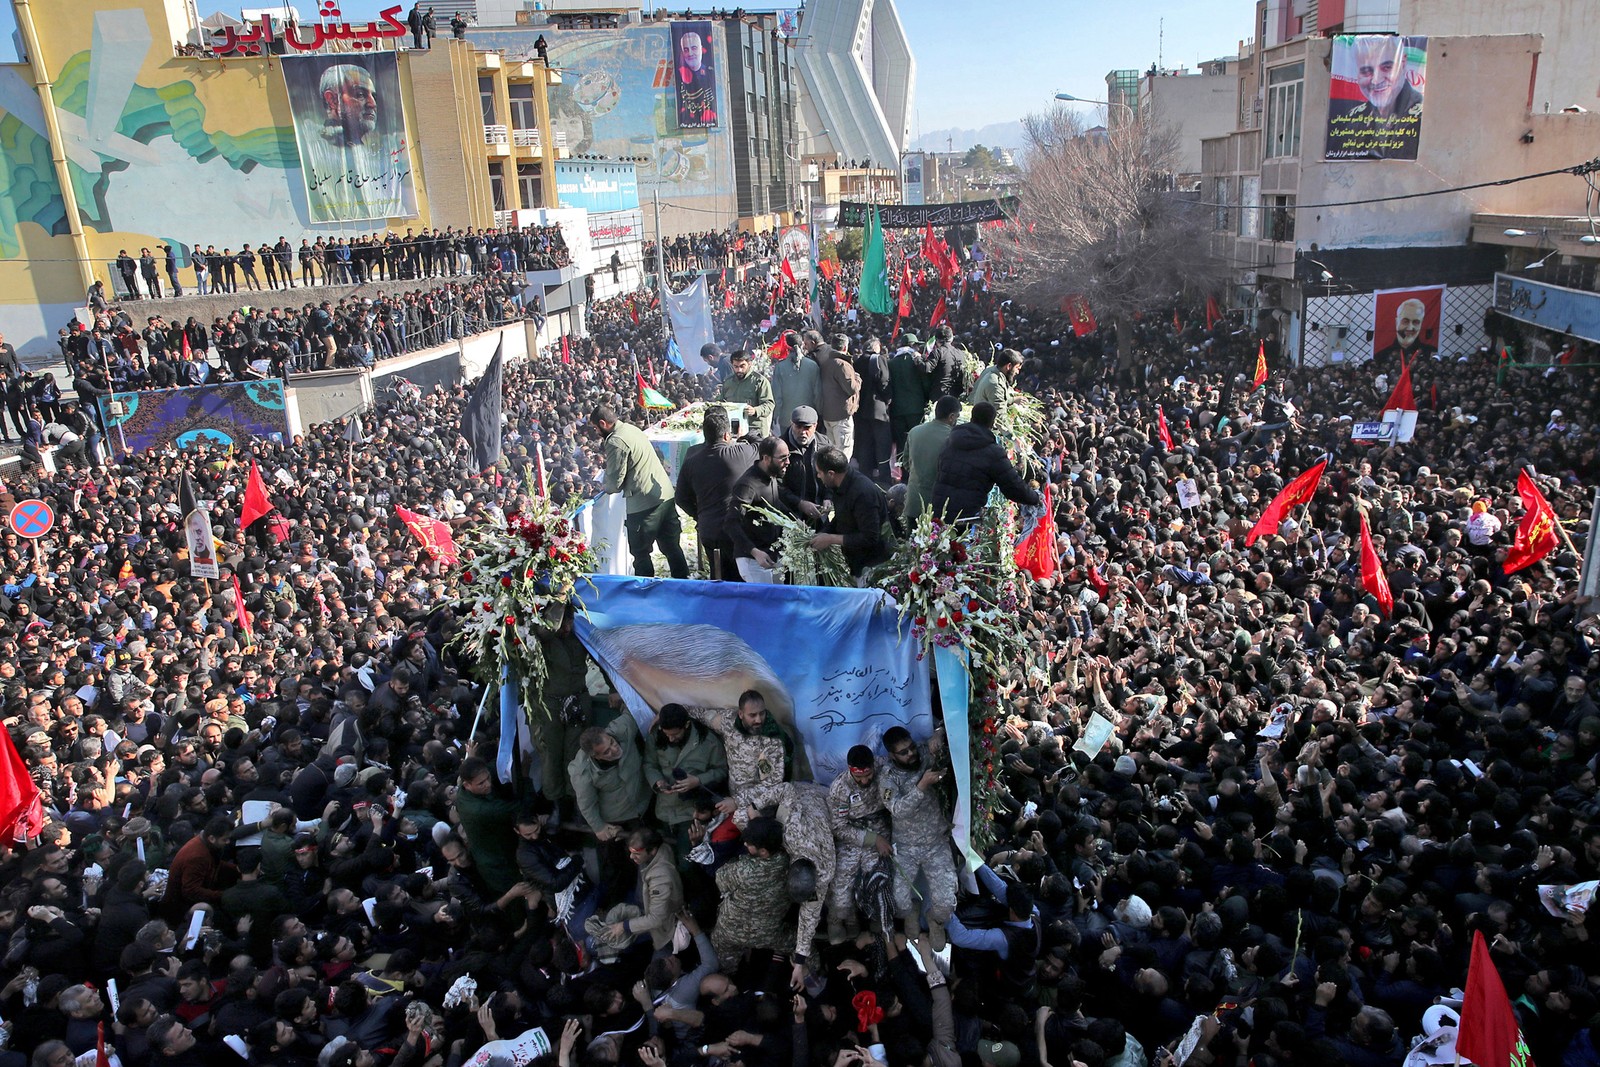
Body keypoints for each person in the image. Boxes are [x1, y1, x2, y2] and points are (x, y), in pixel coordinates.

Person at [301, 64, 411, 222]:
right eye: (360, 95)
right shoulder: (316, 145)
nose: (372, 104)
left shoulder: (374, 152)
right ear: (332, 99)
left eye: (373, 96)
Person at [878, 725, 956, 947]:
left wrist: (939, 733)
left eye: (911, 747)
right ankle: (911, 912)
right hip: (906, 846)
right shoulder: (888, 777)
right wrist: (922, 786)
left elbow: (949, 729)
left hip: (936, 842)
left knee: (946, 904)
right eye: (903, 752)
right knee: (900, 901)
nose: (911, 753)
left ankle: (935, 921)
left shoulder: (924, 752)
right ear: (892, 755)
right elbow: (898, 809)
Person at [591, 403, 689, 579]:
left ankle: (645, 592)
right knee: (672, 547)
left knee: (640, 552)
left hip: (644, 503)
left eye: (595, 428)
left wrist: (603, 485)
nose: (596, 433)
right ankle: (685, 585)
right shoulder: (630, 428)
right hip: (664, 494)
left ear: (603, 423)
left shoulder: (616, 441)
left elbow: (614, 483)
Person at [676, 408, 756, 582]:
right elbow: (762, 443)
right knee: (741, 576)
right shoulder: (741, 453)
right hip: (736, 528)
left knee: (717, 575)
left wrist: (699, 514)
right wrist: (745, 437)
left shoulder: (691, 461)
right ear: (727, 435)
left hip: (709, 529)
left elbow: (681, 498)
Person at [929, 401, 1041, 523]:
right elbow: (1012, 486)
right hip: (966, 515)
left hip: (938, 509)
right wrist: (1035, 498)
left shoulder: (951, 440)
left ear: (971, 418)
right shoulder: (993, 452)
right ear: (992, 424)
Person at [826, 744, 891, 942]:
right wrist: (872, 840)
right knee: (841, 891)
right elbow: (839, 827)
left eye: (868, 775)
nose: (865, 780)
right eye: (859, 777)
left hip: (879, 829)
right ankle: (837, 920)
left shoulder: (884, 767)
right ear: (850, 770)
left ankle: (875, 921)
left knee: (878, 881)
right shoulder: (840, 789)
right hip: (851, 837)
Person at [728, 435, 815, 580]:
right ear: (766, 458)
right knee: (764, 602)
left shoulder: (771, 475)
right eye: (782, 458)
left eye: (788, 457)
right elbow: (731, 523)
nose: (788, 462)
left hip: (772, 554)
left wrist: (794, 520)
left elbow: (774, 504)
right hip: (754, 560)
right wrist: (755, 552)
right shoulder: (747, 485)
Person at [811, 445, 891, 577]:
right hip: (856, 561)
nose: (818, 476)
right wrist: (821, 534)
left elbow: (870, 537)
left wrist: (830, 539)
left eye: (819, 472)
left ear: (831, 474)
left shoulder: (863, 494)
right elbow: (842, 517)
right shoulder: (839, 485)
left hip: (872, 566)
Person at [904, 395, 959, 525]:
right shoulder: (953, 437)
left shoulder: (914, 432)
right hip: (938, 505)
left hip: (914, 502)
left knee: (911, 542)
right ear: (951, 417)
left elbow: (906, 463)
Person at [811, 331, 860, 460]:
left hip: (829, 413)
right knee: (843, 451)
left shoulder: (826, 363)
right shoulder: (842, 364)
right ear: (845, 347)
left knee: (832, 451)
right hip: (841, 414)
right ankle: (842, 478)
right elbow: (851, 389)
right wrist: (858, 379)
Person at [852, 336, 893, 484]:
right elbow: (884, 382)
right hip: (878, 410)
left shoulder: (856, 362)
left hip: (860, 410)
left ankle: (864, 476)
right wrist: (888, 399)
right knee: (882, 444)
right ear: (876, 347)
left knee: (864, 444)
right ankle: (884, 477)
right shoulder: (878, 359)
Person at [768, 330, 820, 437]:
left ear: (786, 347)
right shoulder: (813, 366)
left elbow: (777, 396)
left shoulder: (780, 367)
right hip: (808, 417)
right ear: (802, 345)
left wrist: (775, 415)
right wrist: (818, 413)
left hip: (787, 418)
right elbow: (818, 394)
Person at [714, 349, 774, 439]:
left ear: (749, 364)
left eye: (742, 366)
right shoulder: (728, 381)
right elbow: (721, 401)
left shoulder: (760, 381)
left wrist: (755, 410)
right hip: (734, 430)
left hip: (754, 429)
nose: (739, 370)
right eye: (736, 367)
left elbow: (769, 404)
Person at [674, 28, 716, 127]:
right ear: (682, 53)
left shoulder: (710, 74)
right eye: (686, 49)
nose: (690, 54)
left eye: (694, 48)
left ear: (701, 49)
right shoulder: (678, 77)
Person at [1374, 297, 1437, 363]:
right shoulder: (1381, 356)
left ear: (1421, 324)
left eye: (1415, 322)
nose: (1410, 328)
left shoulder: (1430, 352)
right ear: (1396, 322)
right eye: (1405, 321)